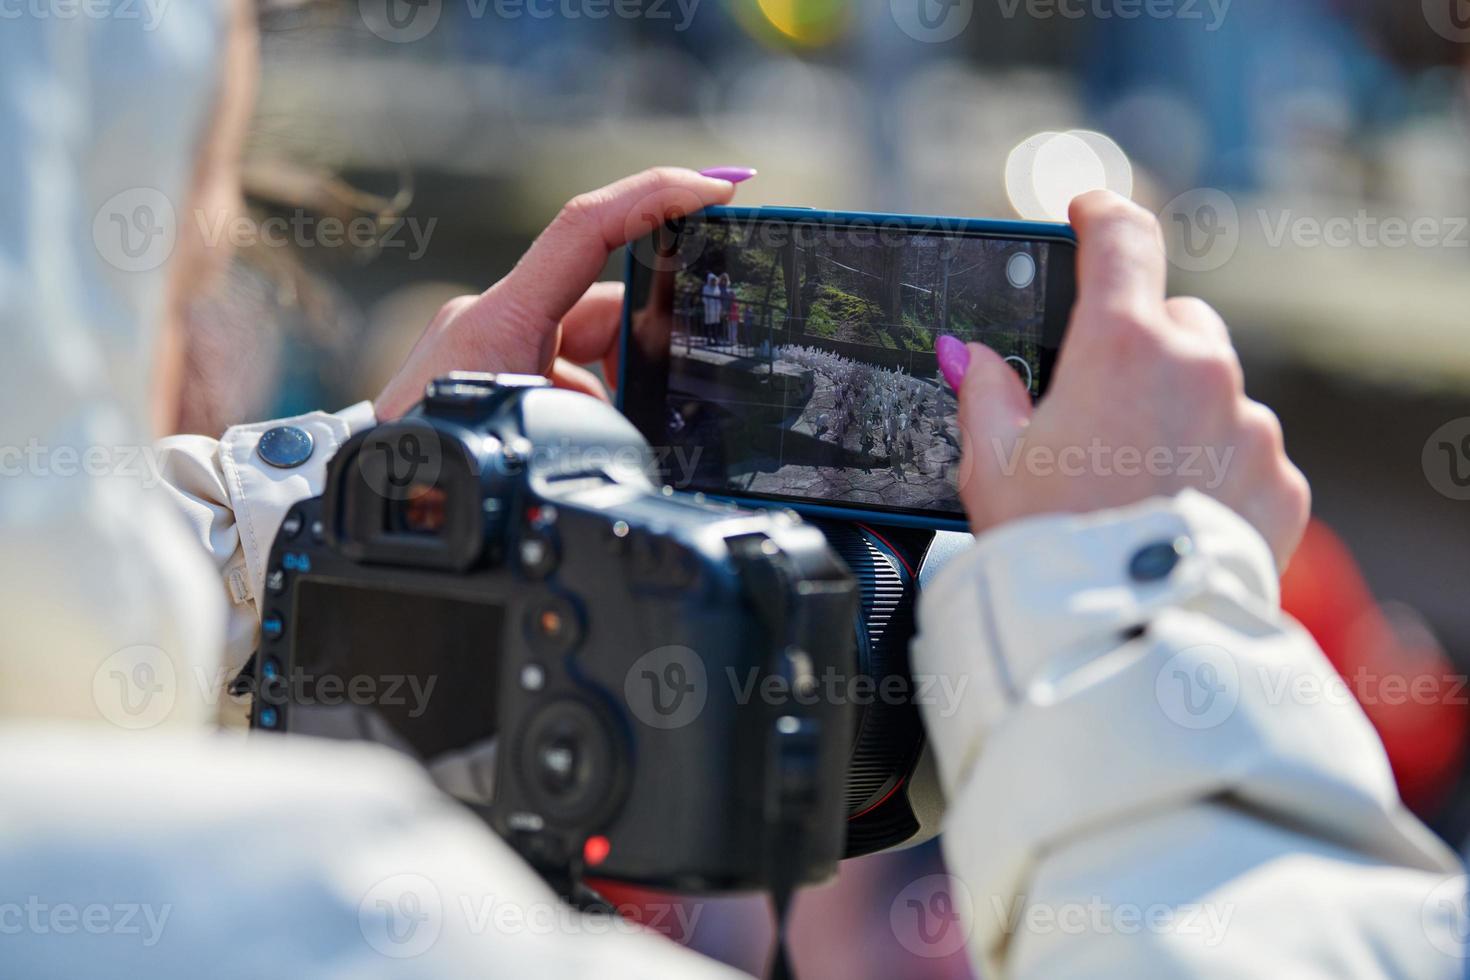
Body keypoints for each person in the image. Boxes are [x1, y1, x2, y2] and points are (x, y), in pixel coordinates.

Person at [0, 4, 1465, 978]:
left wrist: (363, 532)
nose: (218, 346)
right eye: (204, 274)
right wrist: (1135, 621)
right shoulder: (333, 919)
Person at [703, 272, 723, 347]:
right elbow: (704, 298)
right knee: (709, 325)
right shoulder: (706, 288)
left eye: (714, 280)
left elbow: (719, 298)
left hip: (716, 309)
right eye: (712, 280)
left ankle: (716, 339)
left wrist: (720, 308)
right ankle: (708, 339)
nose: (713, 282)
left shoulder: (717, 288)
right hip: (709, 309)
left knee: (716, 325)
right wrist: (708, 304)